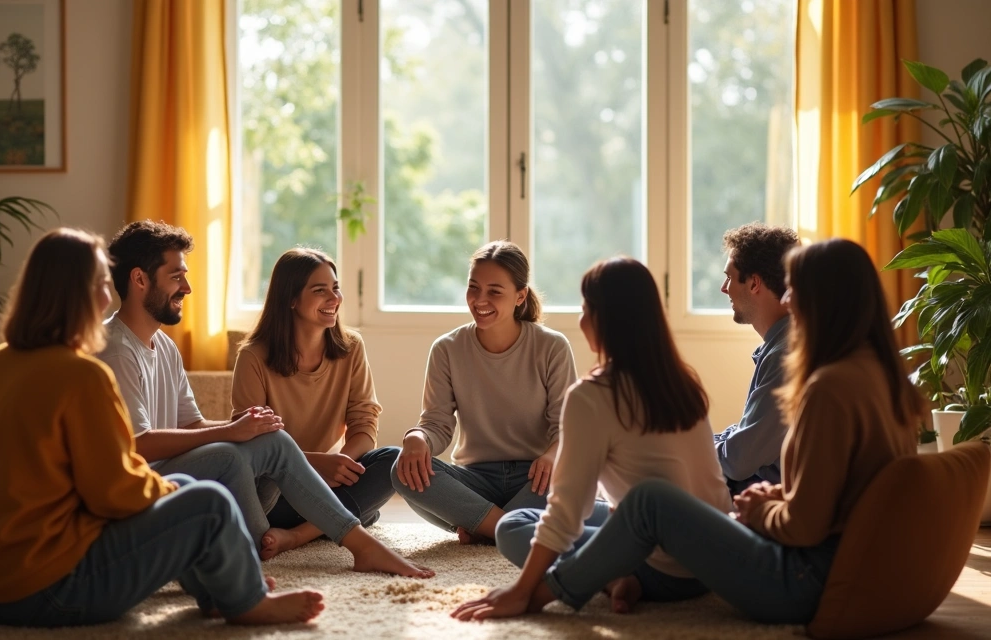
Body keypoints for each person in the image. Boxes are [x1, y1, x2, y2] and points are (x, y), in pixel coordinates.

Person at [452, 239, 923, 624]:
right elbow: (837, 499)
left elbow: (806, 525)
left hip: (798, 582)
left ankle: (544, 594)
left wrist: (761, 512)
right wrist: (776, 498)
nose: (787, 300)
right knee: (585, 513)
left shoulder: (830, 389)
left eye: (795, 290)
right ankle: (610, 577)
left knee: (646, 502)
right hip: (815, 567)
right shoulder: (879, 378)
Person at [0, 228, 324, 627]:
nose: (106, 295)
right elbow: (115, 493)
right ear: (79, 295)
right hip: (50, 590)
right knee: (209, 502)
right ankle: (248, 603)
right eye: (99, 283)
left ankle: (221, 592)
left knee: (187, 493)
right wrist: (175, 490)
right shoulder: (82, 374)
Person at [100, 222, 431, 577]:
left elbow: (192, 425)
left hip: (186, 473)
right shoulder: (117, 350)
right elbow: (136, 445)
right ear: (139, 280)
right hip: (141, 485)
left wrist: (246, 429)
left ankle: (345, 542)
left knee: (273, 440)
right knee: (233, 454)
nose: (187, 287)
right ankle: (261, 549)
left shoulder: (163, 346)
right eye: (176, 276)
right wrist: (234, 432)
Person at [487, 257, 731, 614]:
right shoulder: (681, 381)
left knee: (513, 526)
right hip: (714, 559)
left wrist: (522, 591)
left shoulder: (593, 395)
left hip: (664, 570)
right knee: (604, 510)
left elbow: (567, 513)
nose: (581, 319)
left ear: (607, 319)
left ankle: (617, 576)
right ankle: (619, 579)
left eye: (586, 308)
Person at [390, 241, 577, 544]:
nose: (480, 299)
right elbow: (437, 425)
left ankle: (481, 525)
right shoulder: (447, 349)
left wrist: (553, 457)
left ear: (520, 296)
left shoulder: (552, 346)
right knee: (401, 469)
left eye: (494, 291)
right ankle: (508, 527)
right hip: (476, 479)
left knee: (571, 476)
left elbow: (567, 428)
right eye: (473, 288)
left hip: (536, 477)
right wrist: (417, 438)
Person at [232, 247, 407, 558]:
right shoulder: (253, 357)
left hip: (328, 483)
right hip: (275, 493)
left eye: (335, 288)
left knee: (393, 461)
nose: (334, 298)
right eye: (320, 290)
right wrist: (315, 465)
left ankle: (297, 537)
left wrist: (342, 465)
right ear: (291, 299)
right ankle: (347, 518)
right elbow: (253, 443)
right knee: (361, 507)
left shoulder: (351, 347)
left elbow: (365, 422)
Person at [714, 223, 800, 494]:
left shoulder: (785, 355)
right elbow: (745, 437)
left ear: (754, 283)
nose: (723, 288)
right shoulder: (780, 345)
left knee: (649, 494)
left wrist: (690, 452)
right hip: (753, 493)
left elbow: (738, 461)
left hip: (759, 503)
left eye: (729, 277)